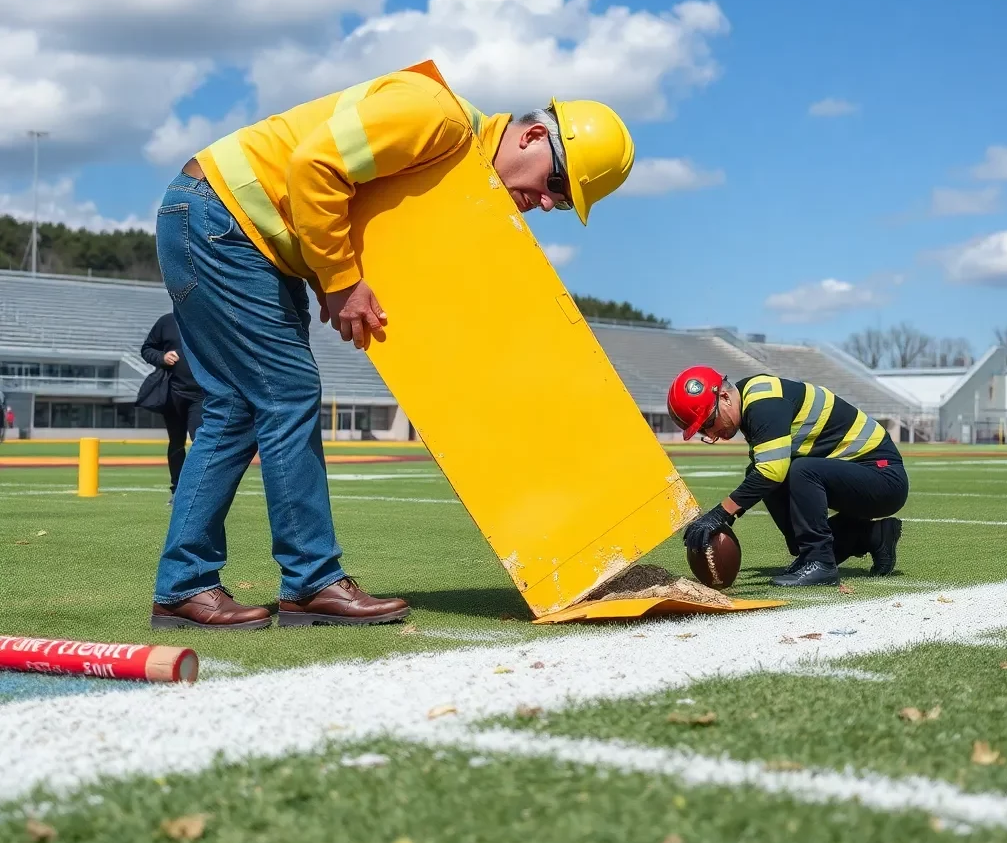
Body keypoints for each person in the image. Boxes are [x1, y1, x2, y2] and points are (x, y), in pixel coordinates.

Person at [150, 59, 635, 631]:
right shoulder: (438, 117)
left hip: (214, 219)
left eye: (564, 201)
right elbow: (315, 167)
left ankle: (184, 588)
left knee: (234, 412)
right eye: (558, 183)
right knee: (288, 394)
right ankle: (310, 583)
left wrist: (337, 280)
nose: (549, 203)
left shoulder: (447, 141)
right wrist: (339, 281)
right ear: (531, 135)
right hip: (223, 221)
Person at [668, 366, 907, 587]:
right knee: (780, 501)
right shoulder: (752, 401)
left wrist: (720, 514)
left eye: (709, 421)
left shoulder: (763, 403)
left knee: (794, 471)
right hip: (864, 475)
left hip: (883, 476)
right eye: (702, 430)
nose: (711, 432)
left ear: (725, 397)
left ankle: (820, 562)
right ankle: (872, 536)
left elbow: (773, 470)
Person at [141, 313, 205, 504]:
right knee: (176, 442)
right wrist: (162, 356)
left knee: (201, 441)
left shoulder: (208, 317)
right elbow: (147, 349)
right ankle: (177, 490)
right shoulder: (166, 321)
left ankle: (199, 491)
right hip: (173, 392)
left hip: (202, 395)